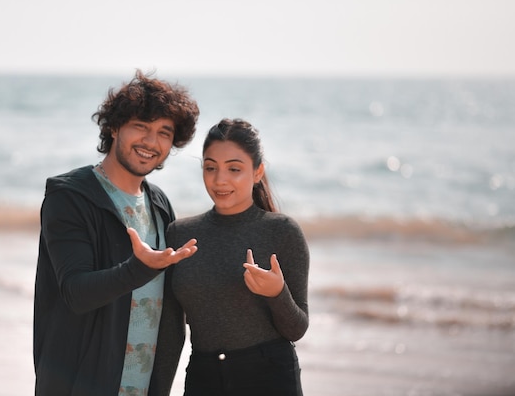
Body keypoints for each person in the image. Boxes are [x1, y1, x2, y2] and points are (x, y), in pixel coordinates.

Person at [33, 70, 200, 396]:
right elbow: (76, 292)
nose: (152, 142)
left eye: (164, 132)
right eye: (141, 127)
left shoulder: (159, 204)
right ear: (113, 127)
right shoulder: (69, 197)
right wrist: (139, 269)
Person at [150, 118, 310, 396]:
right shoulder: (179, 234)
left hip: (269, 378)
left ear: (257, 171)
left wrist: (277, 293)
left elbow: (297, 328)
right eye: (210, 167)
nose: (219, 180)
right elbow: (171, 329)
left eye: (234, 169)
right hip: (203, 377)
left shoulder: (282, 232)